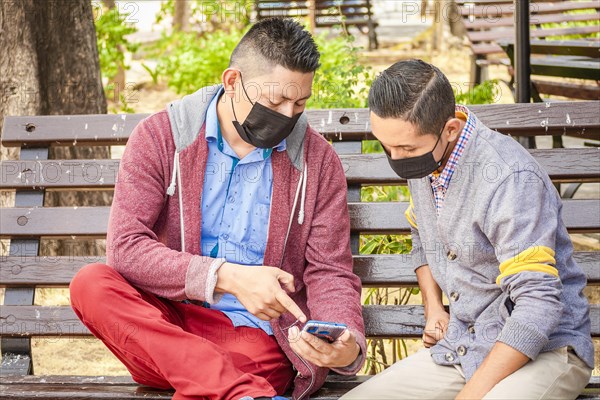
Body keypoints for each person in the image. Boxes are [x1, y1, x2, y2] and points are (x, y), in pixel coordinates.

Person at [69, 18, 366, 400]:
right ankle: (239, 391)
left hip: (251, 337)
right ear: (231, 81)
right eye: (275, 102)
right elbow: (126, 247)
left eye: (300, 103)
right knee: (91, 284)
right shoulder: (161, 137)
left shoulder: (318, 162)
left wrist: (345, 340)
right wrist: (227, 277)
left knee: (248, 363)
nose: (289, 116)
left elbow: (330, 270)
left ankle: (223, 385)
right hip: (163, 323)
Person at [341, 59, 594, 399]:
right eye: (386, 146)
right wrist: (434, 306)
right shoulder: (427, 161)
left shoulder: (510, 178)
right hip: (467, 346)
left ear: (451, 129)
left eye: (406, 149)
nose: (396, 159)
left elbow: (539, 306)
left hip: (546, 350)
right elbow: (422, 234)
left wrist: (470, 395)